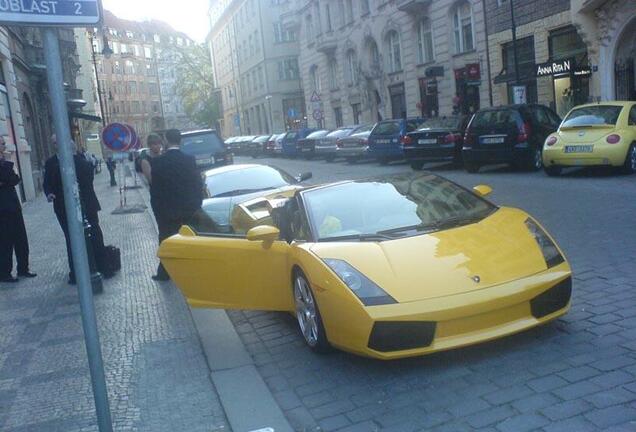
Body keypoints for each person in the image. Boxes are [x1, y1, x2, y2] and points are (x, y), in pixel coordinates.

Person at [43, 135, 108, 285]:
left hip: (87, 204)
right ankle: (76, 272)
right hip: (62, 207)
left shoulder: (81, 160)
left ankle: (102, 266)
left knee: (94, 234)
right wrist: (49, 193)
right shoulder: (51, 163)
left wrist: (74, 157)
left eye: (57, 141)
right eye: (53, 142)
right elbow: (47, 183)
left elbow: (88, 178)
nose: (55, 145)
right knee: (71, 238)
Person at [150, 129, 203, 281]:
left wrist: (157, 211)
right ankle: (192, 270)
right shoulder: (189, 159)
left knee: (166, 241)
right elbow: (197, 184)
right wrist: (196, 205)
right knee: (190, 240)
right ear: (180, 141)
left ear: (166, 141)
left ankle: (165, 273)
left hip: (167, 211)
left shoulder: (158, 162)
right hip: (189, 209)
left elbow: (156, 190)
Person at [0, 136, 36, 282]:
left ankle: (23, 268)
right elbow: (9, 177)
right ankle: (4, 273)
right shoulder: (6, 164)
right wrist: (7, 173)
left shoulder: (6, 163)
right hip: (2, 210)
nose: (4, 145)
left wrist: (5, 180)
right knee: (5, 242)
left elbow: (15, 179)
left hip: (14, 206)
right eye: (2, 143)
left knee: (21, 240)